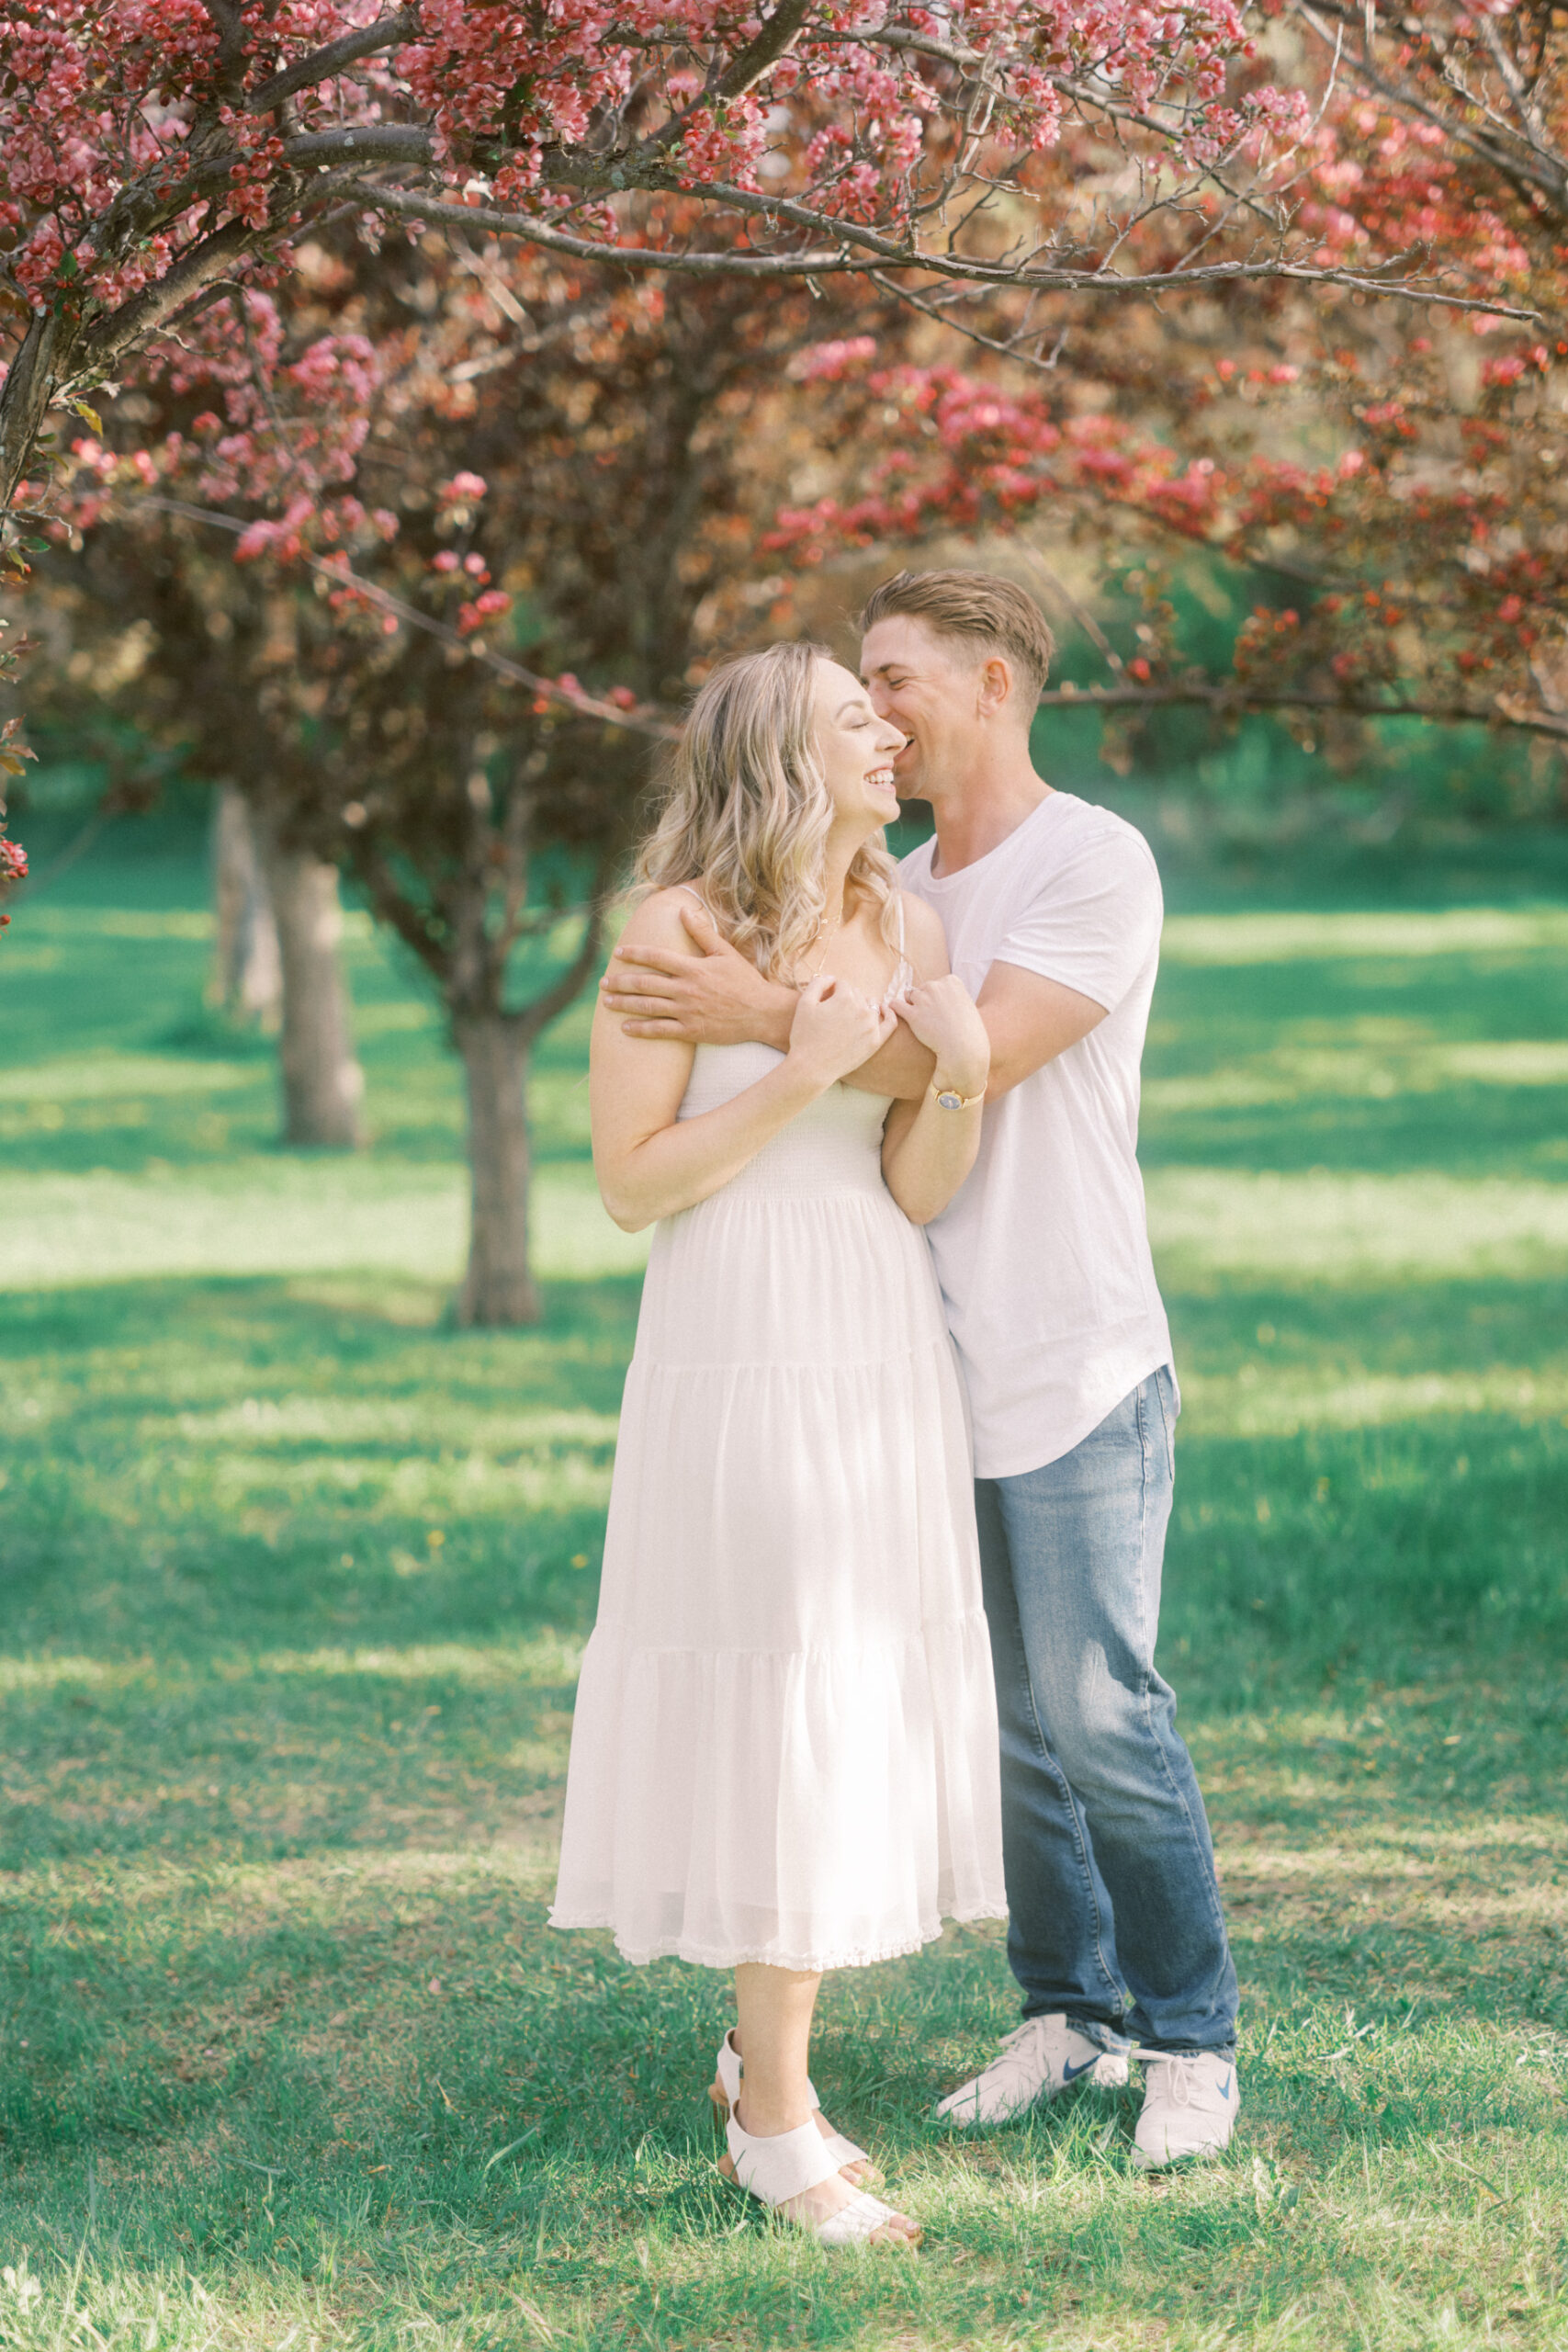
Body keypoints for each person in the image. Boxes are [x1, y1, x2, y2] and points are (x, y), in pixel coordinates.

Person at [601, 571, 1241, 2170]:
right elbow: (871, 1100)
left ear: (998, 681)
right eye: (855, 688)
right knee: (1006, 1713)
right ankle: (1065, 2009)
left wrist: (763, 1015)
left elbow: (986, 1056)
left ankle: (1191, 2037)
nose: (880, 709)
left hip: (1065, 1338)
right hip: (898, 1344)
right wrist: (805, 1015)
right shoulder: (899, 881)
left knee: (1099, 1705)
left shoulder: (1089, 861)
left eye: (897, 677)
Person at [550, 639, 1006, 2251]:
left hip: (876, 1332)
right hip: (735, 1340)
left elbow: (915, 1188)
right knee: (781, 1676)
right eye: (851, 716)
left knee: (847, 1674)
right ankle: (778, 2124)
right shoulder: (670, 931)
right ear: (777, 762)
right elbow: (631, 1181)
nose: (888, 731)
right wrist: (800, 1068)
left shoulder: (911, 921)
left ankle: (766, 2062)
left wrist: (952, 1078)